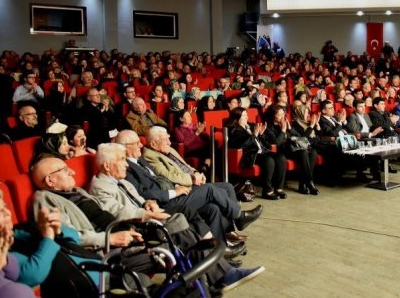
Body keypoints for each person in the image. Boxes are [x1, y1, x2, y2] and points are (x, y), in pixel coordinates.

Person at [30, 156, 265, 293]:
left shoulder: (76, 192)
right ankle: (220, 275)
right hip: (107, 252)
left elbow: (107, 214)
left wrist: (138, 216)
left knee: (180, 230)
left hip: (125, 233)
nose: (71, 171)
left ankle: (217, 276)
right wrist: (110, 238)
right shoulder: (45, 199)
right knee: (177, 234)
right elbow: (65, 236)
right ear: (50, 179)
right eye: (64, 169)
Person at [116, 130, 263, 248]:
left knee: (213, 208)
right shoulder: (127, 168)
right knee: (210, 190)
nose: (141, 145)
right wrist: (175, 191)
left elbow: (161, 178)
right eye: (136, 143)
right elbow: (144, 193)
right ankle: (239, 216)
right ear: (124, 147)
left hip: (176, 191)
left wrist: (179, 184)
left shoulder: (139, 160)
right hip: (164, 203)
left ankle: (220, 250)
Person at [227, 108, 287, 200]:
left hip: (261, 151)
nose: (247, 117)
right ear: (237, 117)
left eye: (246, 115)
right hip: (249, 154)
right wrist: (254, 135)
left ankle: (279, 188)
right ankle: (267, 190)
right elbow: (242, 145)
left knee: (281, 157)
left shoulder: (251, 126)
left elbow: (262, 142)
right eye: (244, 115)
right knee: (269, 160)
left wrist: (261, 134)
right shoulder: (234, 130)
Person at [265, 105, 319, 195]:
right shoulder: (269, 127)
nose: (282, 117)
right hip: (282, 151)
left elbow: (299, 137)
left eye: (283, 114)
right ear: (273, 116)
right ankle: (308, 182)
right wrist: (283, 130)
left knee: (313, 152)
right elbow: (276, 144)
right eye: (279, 115)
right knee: (303, 152)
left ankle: (304, 184)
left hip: (293, 148)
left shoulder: (286, 123)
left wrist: (289, 129)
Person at [0, 189, 35, 298]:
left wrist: (3, 258)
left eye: (5, 207)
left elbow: (14, 274)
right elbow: (33, 275)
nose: (9, 213)